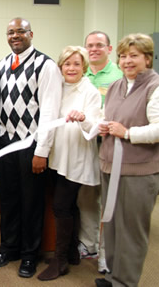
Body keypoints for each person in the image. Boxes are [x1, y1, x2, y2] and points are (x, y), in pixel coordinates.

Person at [95, 33, 159, 287]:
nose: (127, 61)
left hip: (139, 172)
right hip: (110, 165)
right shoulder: (118, 85)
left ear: (147, 58)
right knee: (113, 225)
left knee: (132, 231)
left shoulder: (158, 87)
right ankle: (113, 275)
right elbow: (110, 116)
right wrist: (104, 126)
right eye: (123, 56)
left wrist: (128, 133)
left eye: (134, 56)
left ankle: (125, 282)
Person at [0, 17, 62, 278]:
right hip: (6, 143)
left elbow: (50, 111)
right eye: (10, 32)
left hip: (31, 145)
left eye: (20, 31)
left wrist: (42, 150)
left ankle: (30, 256)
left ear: (31, 34)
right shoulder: (3, 64)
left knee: (31, 202)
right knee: (7, 199)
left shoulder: (46, 65)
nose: (15, 36)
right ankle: (9, 248)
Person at [37, 46, 102, 281]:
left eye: (76, 64)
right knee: (69, 206)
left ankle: (61, 260)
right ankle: (73, 252)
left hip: (76, 158)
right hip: (57, 156)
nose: (71, 68)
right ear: (60, 66)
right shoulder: (58, 87)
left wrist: (84, 118)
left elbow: (94, 129)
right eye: (67, 64)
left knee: (61, 207)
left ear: (83, 66)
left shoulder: (90, 92)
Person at [77, 31, 123, 274]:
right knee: (87, 197)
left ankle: (107, 255)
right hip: (85, 145)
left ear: (110, 48)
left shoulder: (118, 75)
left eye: (99, 45)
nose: (93, 49)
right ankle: (89, 244)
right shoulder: (81, 73)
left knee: (110, 201)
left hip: (111, 145)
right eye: (90, 45)